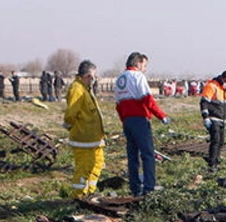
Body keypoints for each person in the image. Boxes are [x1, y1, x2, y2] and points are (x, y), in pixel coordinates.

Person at [114, 52, 169, 196]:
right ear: (137, 64)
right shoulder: (138, 77)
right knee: (148, 154)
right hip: (139, 119)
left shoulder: (119, 79)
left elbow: (118, 105)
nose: (145, 69)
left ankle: (135, 188)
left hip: (127, 120)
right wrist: (161, 115)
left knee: (132, 155)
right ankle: (149, 188)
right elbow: (147, 100)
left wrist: (124, 120)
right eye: (144, 65)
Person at [64, 60, 106, 197]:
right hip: (84, 139)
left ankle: (90, 192)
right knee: (84, 167)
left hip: (93, 138)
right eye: (93, 76)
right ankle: (78, 196)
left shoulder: (85, 89)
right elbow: (72, 112)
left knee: (97, 164)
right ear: (88, 76)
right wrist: (71, 126)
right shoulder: (77, 89)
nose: (94, 79)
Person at [199, 69, 226, 171]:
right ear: (223, 79)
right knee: (215, 141)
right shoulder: (212, 86)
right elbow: (204, 103)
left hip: (222, 119)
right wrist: (206, 117)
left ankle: (216, 160)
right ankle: (212, 165)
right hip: (213, 118)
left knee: (221, 142)